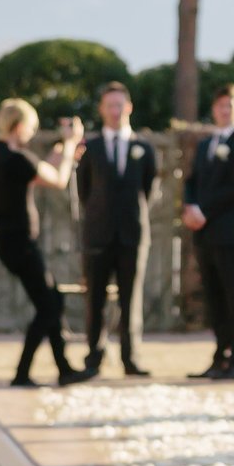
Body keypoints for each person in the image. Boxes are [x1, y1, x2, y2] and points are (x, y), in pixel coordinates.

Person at [0, 98, 85, 387]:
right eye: (31, 127)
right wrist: (71, 143)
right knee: (49, 306)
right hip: (22, 243)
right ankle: (23, 373)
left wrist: (63, 149)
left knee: (51, 300)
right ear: (21, 125)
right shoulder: (16, 158)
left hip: (10, 241)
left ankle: (63, 368)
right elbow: (58, 179)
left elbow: (39, 170)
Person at [75, 82, 156, 377]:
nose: (115, 110)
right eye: (110, 105)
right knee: (94, 298)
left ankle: (130, 357)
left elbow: (149, 189)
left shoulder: (144, 148)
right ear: (102, 109)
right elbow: (84, 191)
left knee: (129, 299)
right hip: (98, 234)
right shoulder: (89, 147)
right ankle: (94, 356)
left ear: (129, 107)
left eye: (120, 104)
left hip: (133, 235)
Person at [183, 84, 234, 380]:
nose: (224, 111)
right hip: (206, 235)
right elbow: (192, 181)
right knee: (215, 298)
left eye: (230, 106)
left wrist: (204, 211)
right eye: (219, 106)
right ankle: (221, 357)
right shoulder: (206, 144)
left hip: (233, 234)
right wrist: (190, 206)